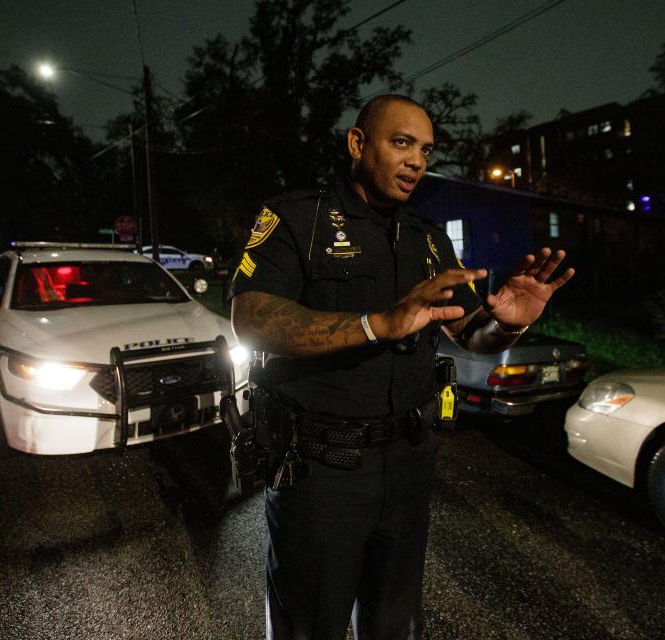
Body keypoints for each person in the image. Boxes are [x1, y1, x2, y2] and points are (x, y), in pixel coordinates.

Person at [230, 94, 574, 640]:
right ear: (358, 143)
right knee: (310, 622)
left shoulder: (429, 239)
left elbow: (470, 335)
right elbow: (252, 319)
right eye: (402, 142)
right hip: (322, 469)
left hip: (409, 462)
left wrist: (508, 323)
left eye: (426, 150)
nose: (417, 160)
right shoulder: (299, 217)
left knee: (394, 622)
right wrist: (377, 324)